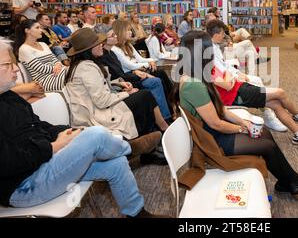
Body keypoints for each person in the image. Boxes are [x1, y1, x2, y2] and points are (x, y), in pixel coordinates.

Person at [0, 37, 166, 217]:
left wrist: (67, 132)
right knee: (95, 135)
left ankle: (137, 213)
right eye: (9, 64)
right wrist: (54, 147)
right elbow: (7, 162)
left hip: (43, 163)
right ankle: (130, 148)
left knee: (116, 163)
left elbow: (39, 126)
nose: (16, 68)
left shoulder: (9, 97)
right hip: (23, 185)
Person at [173, 31, 298, 198]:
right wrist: (241, 128)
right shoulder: (193, 84)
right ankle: (293, 182)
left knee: (264, 132)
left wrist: (243, 123)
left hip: (212, 130)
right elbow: (216, 123)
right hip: (211, 140)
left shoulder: (197, 76)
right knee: (267, 145)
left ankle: (288, 182)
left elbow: (220, 109)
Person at [64, 28, 166, 159]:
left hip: (98, 109)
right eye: (97, 43)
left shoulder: (83, 65)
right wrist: (126, 94)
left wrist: (118, 84)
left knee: (142, 97)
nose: (102, 44)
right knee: (144, 96)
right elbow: (102, 101)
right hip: (96, 115)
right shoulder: (87, 68)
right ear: (89, 49)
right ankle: (158, 134)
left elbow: (97, 88)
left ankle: (153, 141)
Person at [206, 20, 284, 132]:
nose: (224, 36)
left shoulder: (215, 46)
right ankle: (269, 116)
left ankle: (269, 114)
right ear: (216, 34)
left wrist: (238, 73)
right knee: (256, 81)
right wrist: (236, 74)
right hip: (226, 81)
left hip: (227, 76)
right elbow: (222, 71)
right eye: (222, 34)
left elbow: (223, 66)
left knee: (256, 79)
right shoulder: (211, 49)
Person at [99, 29, 172, 121]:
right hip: (123, 84)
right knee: (155, 81)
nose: (116, 36)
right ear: (104, 40)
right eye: (112, 35)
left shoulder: (112, 53)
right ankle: (165, 117)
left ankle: (169, 109)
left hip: (127, 78)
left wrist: (137, 72)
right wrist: (140, 73)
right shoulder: (107, 55)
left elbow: (122, 71)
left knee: (158, 75)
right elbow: (121, 74)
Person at [111, 20, 174, 109]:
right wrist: (148, 63)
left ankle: (171, 102)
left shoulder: (128, 45)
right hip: (132, 75)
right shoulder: (115, 49)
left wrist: (151, 60)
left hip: (139, 69)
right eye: (128, 30)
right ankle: (170, 105)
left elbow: (140, 59)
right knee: (159, 77)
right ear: (120, 32)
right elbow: (130, 65)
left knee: (161, 73)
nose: (130, 32)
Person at [16, 19, 67, 92]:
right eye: (37, 28)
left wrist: (58, 65)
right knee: (74, 74)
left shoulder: (43, 44)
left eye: (40, 27)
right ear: (27, 30)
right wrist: (57, 68)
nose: (41, 30)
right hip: (44, 81)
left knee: (76, 72)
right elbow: (40, 68)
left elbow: (55, 59)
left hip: (57, 74)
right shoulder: (24, 49)